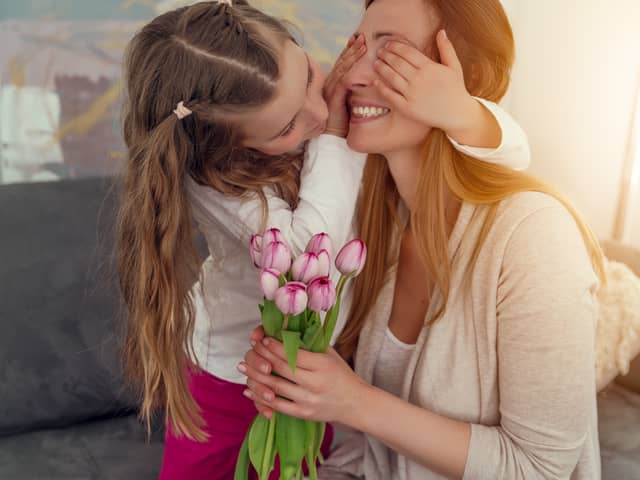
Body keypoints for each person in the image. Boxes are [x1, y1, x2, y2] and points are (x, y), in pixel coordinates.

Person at [116, 0, 531, 478]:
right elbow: (308, 256)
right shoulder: (213, 176)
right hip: (231, 377)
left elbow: (514, 155)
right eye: (289, 125)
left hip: (316, 370)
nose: (321, 108)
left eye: (312, 76)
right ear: (229, 147)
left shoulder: (312, 113)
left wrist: (461, 111)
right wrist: (333, 135)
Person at [240, 0, 605, 478]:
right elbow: (370, 453)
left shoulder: (534, 235)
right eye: (357, 47)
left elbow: (540, 468)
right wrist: (300, 384)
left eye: (391, 54)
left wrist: (353, 402)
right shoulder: (374, 226)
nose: (351, 78)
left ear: (464, 78)